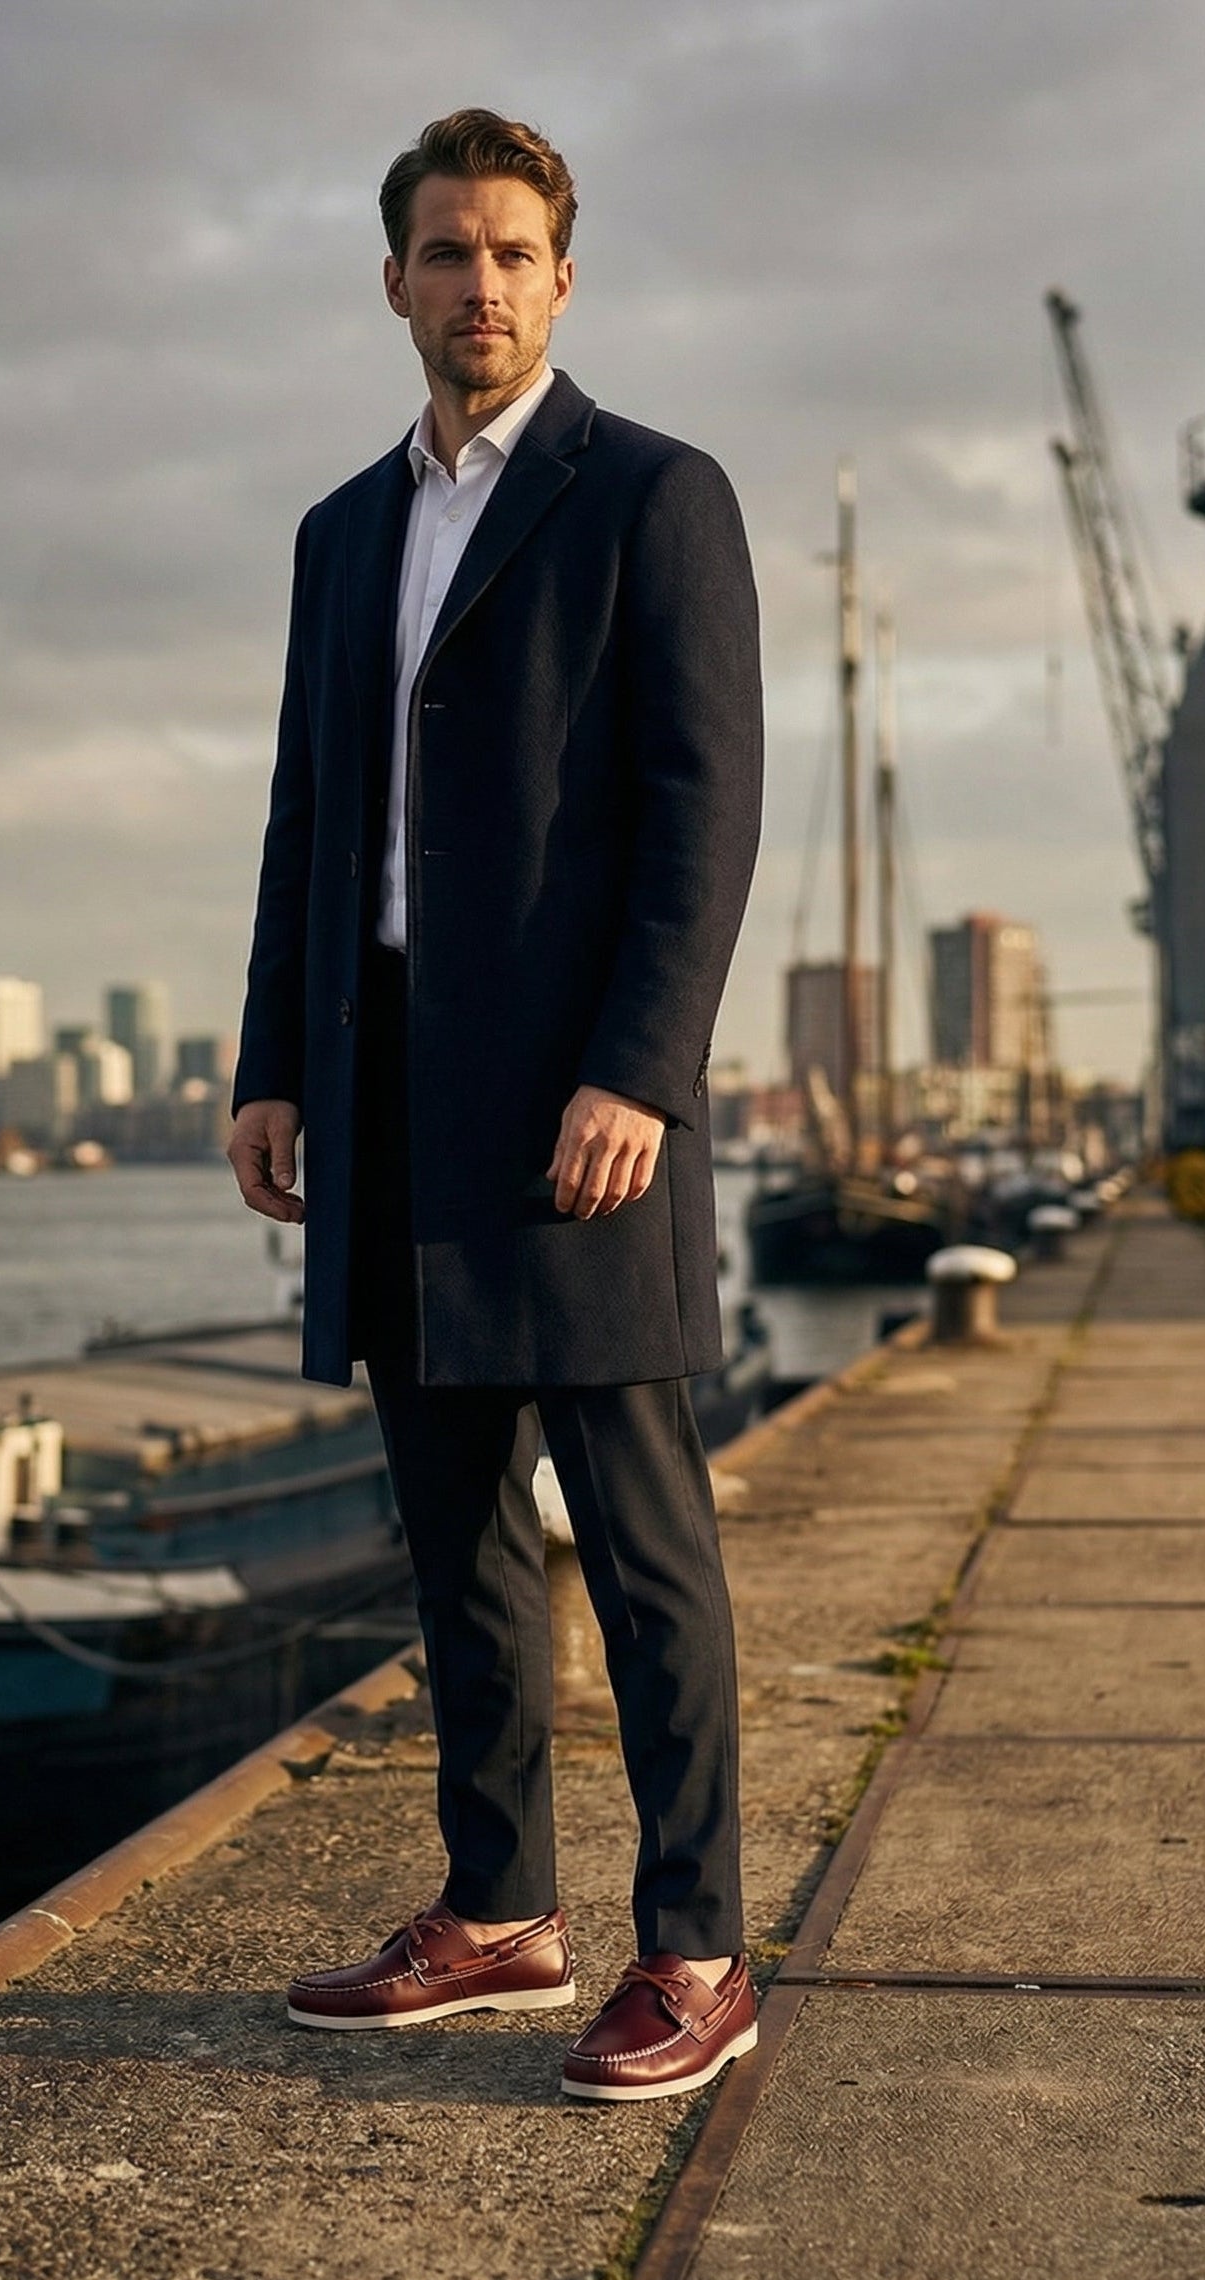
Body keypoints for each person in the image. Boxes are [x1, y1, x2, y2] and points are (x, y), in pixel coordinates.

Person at [228, 107, 763, 2103]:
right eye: (444, 252)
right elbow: (309, 819)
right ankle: (502, 1908)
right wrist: (271, 1059)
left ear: (561, 278)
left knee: (638, 1539)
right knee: (447, 1531)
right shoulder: (338, 534)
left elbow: (701, 821)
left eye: (513, 252)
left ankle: (695, 1947)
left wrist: (642, 1068)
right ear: (394, 281)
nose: (478, 284)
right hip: (379, 1090)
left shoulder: (651, 497)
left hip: (575, 1108)